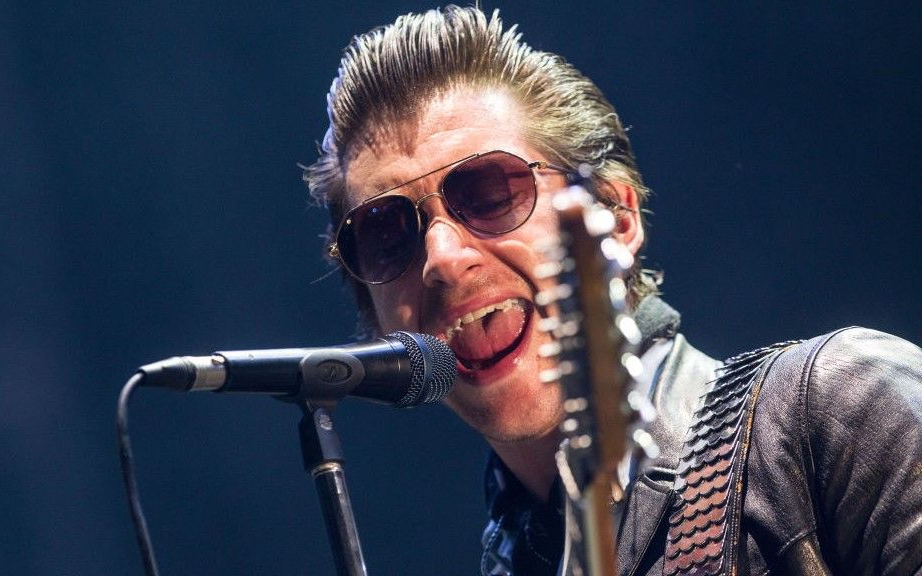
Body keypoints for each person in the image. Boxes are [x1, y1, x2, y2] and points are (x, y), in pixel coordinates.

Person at [303, 6, 922, 575]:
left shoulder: (841, 406)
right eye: (386, 236)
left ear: (616, 220)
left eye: (489, 193)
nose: (441, 258)